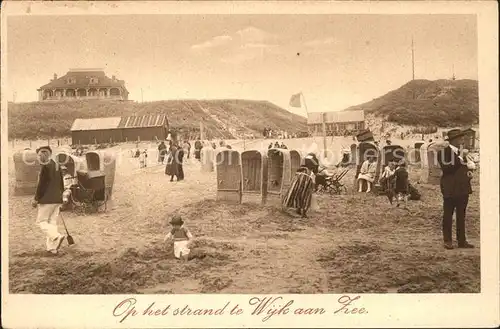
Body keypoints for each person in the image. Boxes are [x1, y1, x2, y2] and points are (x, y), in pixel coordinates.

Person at [437, 129, 475, 250]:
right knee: (448, 214)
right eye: (461, 138)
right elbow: (447, 169)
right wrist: (460, 158)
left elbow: (463, 169)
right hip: (450, 189)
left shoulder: (462, 153)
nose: (463, 140)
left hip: (463, 188)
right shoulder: (443, 153)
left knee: (461, 215)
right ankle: (447, 240)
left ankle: (462, 241)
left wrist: (469, 172)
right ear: (454, 140)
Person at [31, 146, 66, 255]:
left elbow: (41, 185)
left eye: (42, 153)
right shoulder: (57, 165)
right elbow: (62, 183)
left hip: (47, 199)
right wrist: (61, 197)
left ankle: (56, 236)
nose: (41, 155)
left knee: (41, 222)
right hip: (57, 199)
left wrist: (36, 199)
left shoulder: (44, 167)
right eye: (40, 153)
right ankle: (52, 249)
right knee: (52, 223)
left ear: (48, 154)